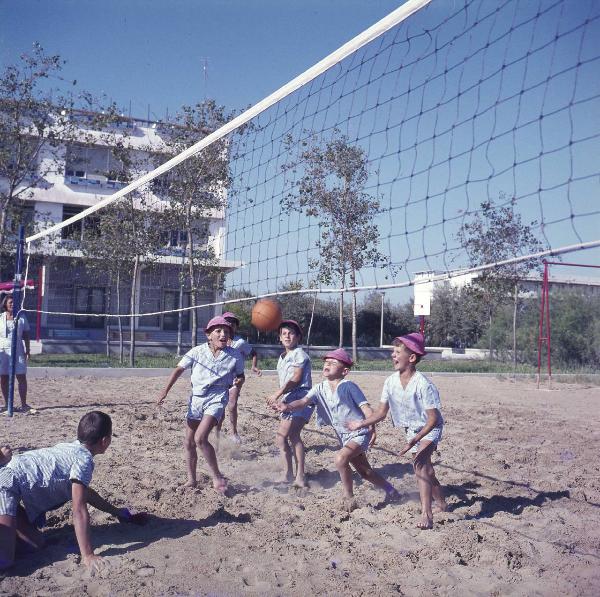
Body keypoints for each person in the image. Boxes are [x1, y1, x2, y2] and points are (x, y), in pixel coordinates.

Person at [0, 411, 146, 571]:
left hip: (10, 483)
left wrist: (117, 512)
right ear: (105, 441)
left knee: (35, 543)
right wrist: (88, 554)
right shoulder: (84, 460)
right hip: (5, 483)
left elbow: (86, 494)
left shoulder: (69, 447)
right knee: (5, 561)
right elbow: (79, 509)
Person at [274, 348, 399, 510]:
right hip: (345, 437)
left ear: (345, 371)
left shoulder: (349, 386)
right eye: (326, 362)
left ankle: (349, 499)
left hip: (360, 433)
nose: (327, 364)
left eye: (333, 363)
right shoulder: (320, 388)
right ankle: (392, 491)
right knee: (365, 472)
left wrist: (372, 427)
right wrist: (287, 406)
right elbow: (303, 402)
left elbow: (367, 410)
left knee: (340, 459)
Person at [347, 333, 447, 529]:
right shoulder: (390, 382)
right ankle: (442, 504)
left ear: (411, 358)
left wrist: (416, 439)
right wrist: (361, 423)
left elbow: (434, 418)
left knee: (419, 463)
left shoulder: (423, 384)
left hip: (430, 428)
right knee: (426, 468)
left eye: (397, 351)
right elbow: (381, 413)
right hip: (412, 429)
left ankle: (426, 514)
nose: (393, 355)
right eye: (393, 351)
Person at [157, 316, 244, 494]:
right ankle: (191, 480)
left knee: (200, 438)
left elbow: (241, 375)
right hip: (196, 399)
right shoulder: (196, 352)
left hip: (217, 398)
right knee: (188, 442)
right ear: (208, 335)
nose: (223, 334)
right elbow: (178, 370)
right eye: (218, 331)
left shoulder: (235, 355)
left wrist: (239, 381)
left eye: (226, 332)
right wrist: (164, 391)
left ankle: (217, 476)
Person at [266, 320, 313, 488]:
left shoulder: (299, 354)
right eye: (283, 333)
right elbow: (287, 381)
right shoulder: (282, 357)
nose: (287, 336)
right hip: (289, 399)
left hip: (302, 398)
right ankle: (287, 474)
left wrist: (278, 393)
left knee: (293, 435)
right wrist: (280, 399)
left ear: (298, 337)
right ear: (279, 337)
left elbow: (296, 378)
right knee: (280, 439)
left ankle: (300, 476)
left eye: (291, 333)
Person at [216, 311, 262, 443]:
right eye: (227, 322)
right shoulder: (218, 341)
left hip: (236, 377)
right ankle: (217, 433)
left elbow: (253, 353)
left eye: (233, 323)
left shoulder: (240, 342)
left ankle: (233, 432)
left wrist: (254, 366)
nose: (229, 325)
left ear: (236, 327)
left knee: (232, 404)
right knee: (219, 407)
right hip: (220, 379)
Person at [0, 295, 31, 412]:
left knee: (21, 376)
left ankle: (24, 404)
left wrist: (28, 350)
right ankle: (8, 404)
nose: (13, 304)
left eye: (14, 302)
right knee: (3, 377)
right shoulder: (0, 317)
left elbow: (27, 334)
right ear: (5, 304)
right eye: (10, 302)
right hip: (3, 350)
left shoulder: (21, 316)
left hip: (17, 350)